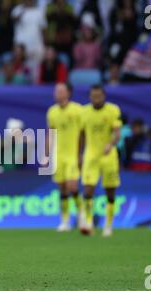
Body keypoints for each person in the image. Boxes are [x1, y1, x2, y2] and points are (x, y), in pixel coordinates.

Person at [80, 85, 122, 237]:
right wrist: (79, 154)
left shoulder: (113, 110)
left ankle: (108, 225)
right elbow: (82, 135)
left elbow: (117, 133)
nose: (95, 99)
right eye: (93, 96)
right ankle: (89, 223)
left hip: (108, 155)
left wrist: (110, 144)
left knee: (110, 192)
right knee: (88, 190)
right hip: (91, 155)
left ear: (104, 96)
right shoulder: (84, 112)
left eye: (98, 96)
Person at [45, 83, 83, 232]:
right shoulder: (52, 112)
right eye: (56, 90)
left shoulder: (78, 110)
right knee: (62, 189)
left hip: (72, 155)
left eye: (61, 90)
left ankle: (81, 213)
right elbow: (50, 134)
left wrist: (80, 153)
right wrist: (46, 155)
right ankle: (65, 221)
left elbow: (83, 133)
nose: (58, 93)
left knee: (72, 186)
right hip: (58, 155)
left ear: (69, 93)